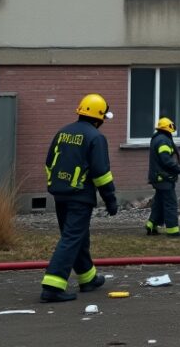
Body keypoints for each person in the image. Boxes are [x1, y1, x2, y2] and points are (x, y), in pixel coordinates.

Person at [40, 93, 118, 303]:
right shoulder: (95, 137)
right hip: (79, 196)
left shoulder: (63, 132)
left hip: (60, 193)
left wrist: (55, 185)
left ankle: (88, 278)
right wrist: (110, 198)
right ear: (98, 116)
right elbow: (101, 173)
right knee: (72, 237)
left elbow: (49, 163)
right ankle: (52, 286)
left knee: (77, 235)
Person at [146, 116, 180, 237]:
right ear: (168, 129)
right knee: (170, 203)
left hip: (159, 177)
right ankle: (173, 230)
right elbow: (166, 160)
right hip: (163, 178)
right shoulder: (163, 140)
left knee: (159, 202)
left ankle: (151, 224)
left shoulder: (157, 138)